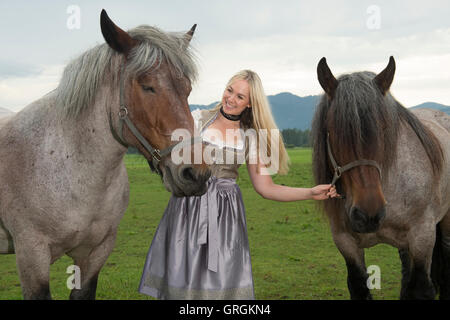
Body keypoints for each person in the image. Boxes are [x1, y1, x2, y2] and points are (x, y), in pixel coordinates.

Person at [138, 70, 338, 299]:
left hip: (225, 217)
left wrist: (310, 192)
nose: (231, 99)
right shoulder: (197, 119)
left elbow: (266, 187)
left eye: (240, 97)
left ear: (250, 104)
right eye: (229, 90)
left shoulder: (251, 138)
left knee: (219, 284)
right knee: (182, 279)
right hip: (187, 209)